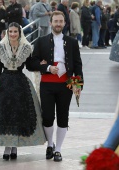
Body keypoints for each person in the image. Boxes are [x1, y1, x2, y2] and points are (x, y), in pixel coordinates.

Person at [0, 22, 46, 160]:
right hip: (4, 84)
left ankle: (14, 147)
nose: (13, 34)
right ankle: (7, 146)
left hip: (20, 84)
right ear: (7, 32)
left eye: (15, 31)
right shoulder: (1, 47)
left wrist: (41, 65)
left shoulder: (26, 47)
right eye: (10, 31)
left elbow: (29, 66)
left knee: (19, 115)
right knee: (5, 115)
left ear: (19, 33)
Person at [30, 11, 84, 162]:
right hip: (47, 84)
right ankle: (50, 144)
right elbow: (32, 63)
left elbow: (78, 64)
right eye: (56, 21)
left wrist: (78, 84)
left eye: (61, 21)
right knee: (47, 117)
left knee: (63, 117)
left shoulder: (72, 42)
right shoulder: (41, 41)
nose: (58, 24)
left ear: (64, 23)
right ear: (50, 23)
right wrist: (47, 67)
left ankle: (58, 149)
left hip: (65, 85)